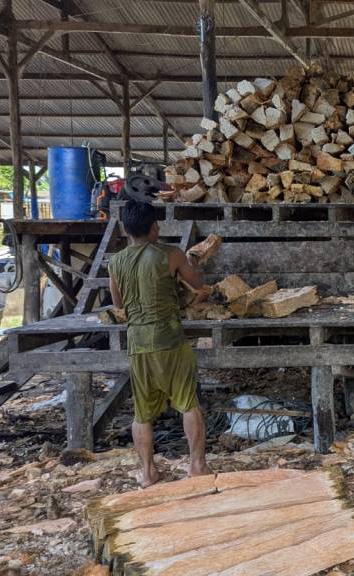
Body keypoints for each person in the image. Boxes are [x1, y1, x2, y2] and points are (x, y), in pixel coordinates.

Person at [109, 200, 211, 487]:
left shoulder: (115, 262)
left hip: (137, 342)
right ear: (154, 227)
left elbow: (118, 304)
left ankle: (148, 473)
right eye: (156, 223)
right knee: (188, 403)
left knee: (142, 413)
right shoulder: (171, 254)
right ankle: (197, 466)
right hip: (168, 337)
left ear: (126, 230)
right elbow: (198, 285)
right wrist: (192, 264)